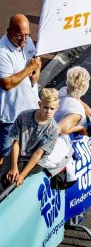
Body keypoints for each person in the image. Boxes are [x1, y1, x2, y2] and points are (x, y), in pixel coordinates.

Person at [0, 15, 41, 167]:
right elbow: (7, 83)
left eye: (27, 35)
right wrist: (29, 68)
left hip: (30, 109)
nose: (24, 40)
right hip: (11, 116)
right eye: (19, 36)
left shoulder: (28, 41)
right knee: (3, 149)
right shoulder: (2, 52)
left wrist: (37, 71)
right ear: (9, 31)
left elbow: (36, 60)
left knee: (28, 145)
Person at [1, 88, 60, 189]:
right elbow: (16, 143)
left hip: (34, 161)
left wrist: (22, 175)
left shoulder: (53, 129)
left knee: (11, 179)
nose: (48, 112)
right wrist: (13, 167)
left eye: (52, 109)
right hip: (18, 153)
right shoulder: (24, 116)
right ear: (39, 104)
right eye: (45, 107)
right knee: (4, 173)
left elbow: (38, 154)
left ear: (57, 108)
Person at [54, 66, 91, 134]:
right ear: (85, 86)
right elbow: (59, 130)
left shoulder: (64, 91)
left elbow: (82, 104)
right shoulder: (77, 112)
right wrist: (80, 128)